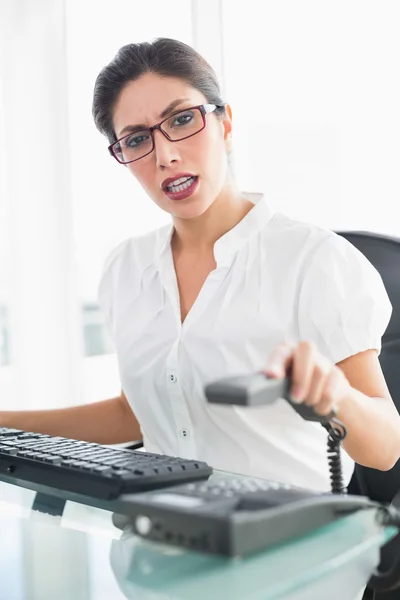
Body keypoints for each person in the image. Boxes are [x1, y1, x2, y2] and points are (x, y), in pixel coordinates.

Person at [1, 37, 399, 493]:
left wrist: (339, 397)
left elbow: (385, 449)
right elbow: (136, 413)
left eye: (183, 119)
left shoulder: (316, 261)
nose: (166, 155)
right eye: (136, 140)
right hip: (162, 537)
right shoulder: (125, 268)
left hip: (291, 542)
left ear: (225, 124)